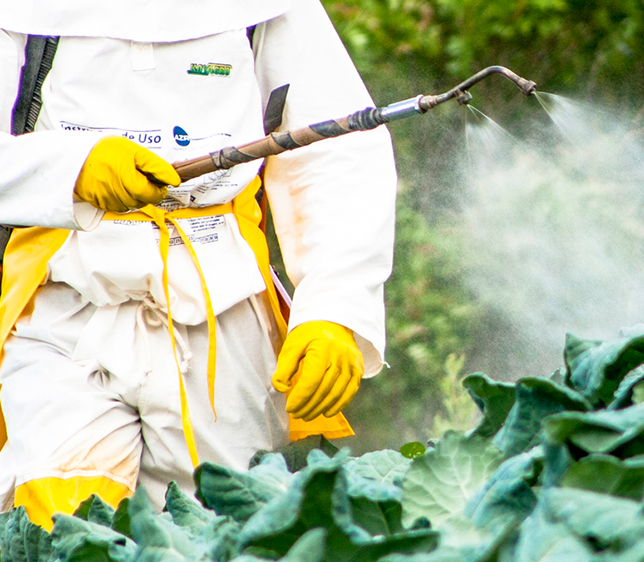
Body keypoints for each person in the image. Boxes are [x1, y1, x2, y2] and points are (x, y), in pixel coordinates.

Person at [0, 0, 397, 528]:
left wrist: (336, 311)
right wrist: (70, 167)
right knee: (60, 527)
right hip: (67, 304)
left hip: (225, 311)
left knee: (229, 533)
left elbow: (334, 153)